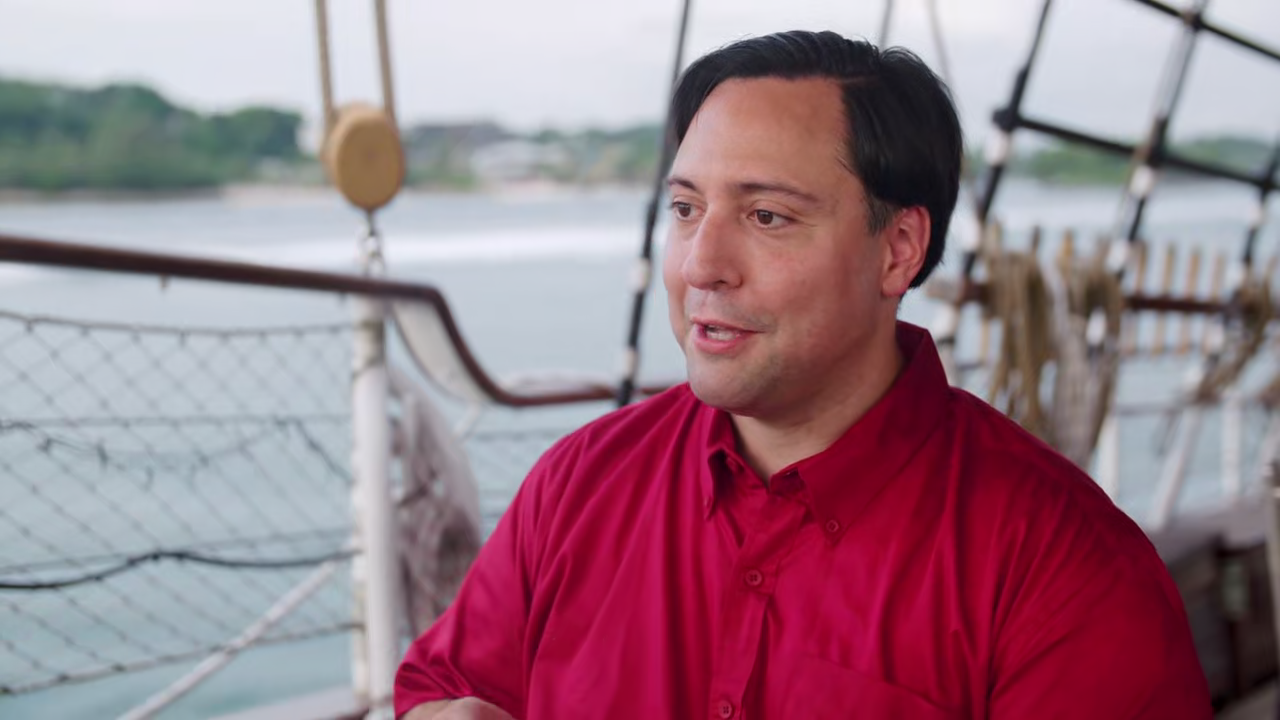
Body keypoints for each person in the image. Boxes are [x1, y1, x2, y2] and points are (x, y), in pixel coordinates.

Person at [395, 30, 1210, 719]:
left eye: (767, 216)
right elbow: (445, 687)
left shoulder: (1065, 571)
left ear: (898, 250)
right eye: (685, 209)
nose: (701, 265)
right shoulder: (578, 484)